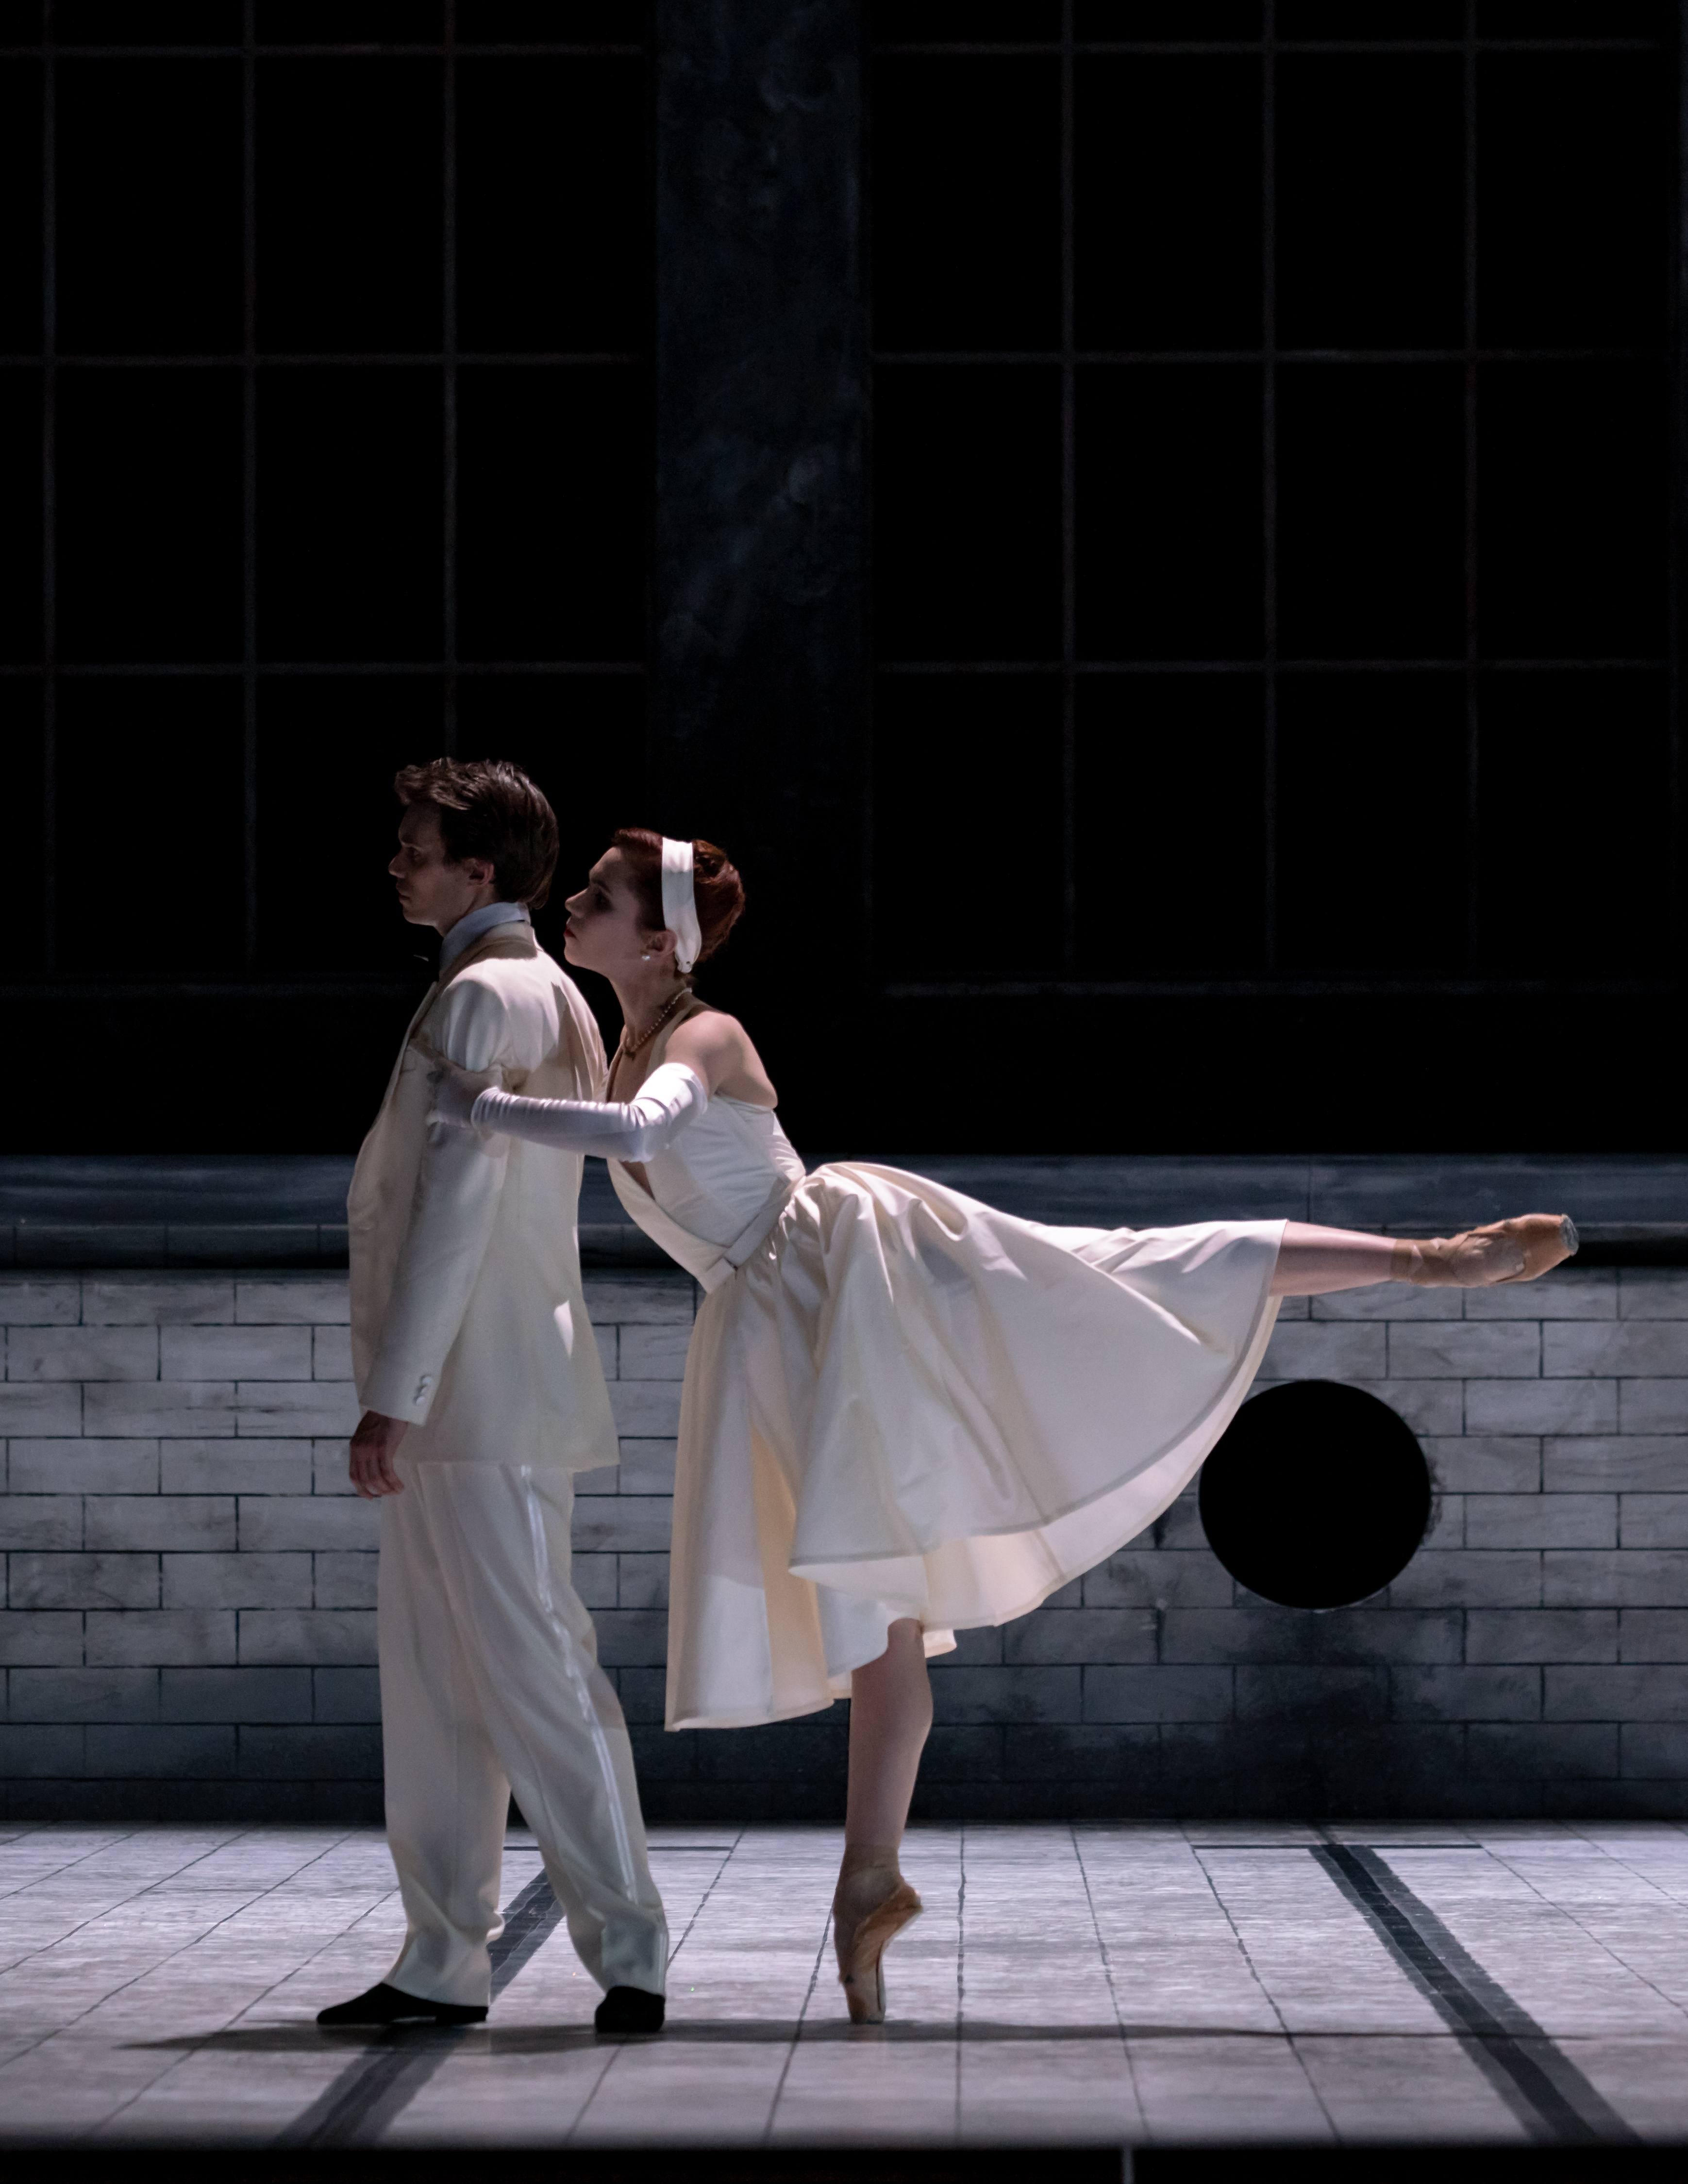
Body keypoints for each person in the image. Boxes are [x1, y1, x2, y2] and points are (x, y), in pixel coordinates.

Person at [425, 827, 1577, 2025]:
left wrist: (479, 1106)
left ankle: (1429, 1258)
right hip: (770, 1321)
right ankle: (867, 1879)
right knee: (876, 1603)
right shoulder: (617, 1040)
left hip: (844, 1268)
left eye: (599, 894)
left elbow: (637, 1137)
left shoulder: (702, 1035)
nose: (573, 903)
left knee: (1116, 1268)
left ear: (660, 939)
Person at [322, 763, 669, 2038]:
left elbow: (456, 1213)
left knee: (529, 1667)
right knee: (442, 1680)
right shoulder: (538, 989)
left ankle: (626, 1945)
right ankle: (441, 1958)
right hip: (474, 1395)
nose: (396, 865)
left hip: (475, 1395)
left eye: (415, 848)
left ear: (478, 869)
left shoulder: (488, 995)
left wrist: (394, 1394)